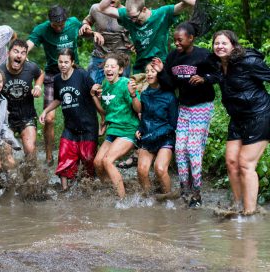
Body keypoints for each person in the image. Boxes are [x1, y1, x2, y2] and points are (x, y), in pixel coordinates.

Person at [152, 22, 220, 207]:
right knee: (180, 149)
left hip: (202, 106)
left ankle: (197, 194)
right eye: (174, 40)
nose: (176, 44)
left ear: (191, 38)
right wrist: (160, 72)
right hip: (184, 108)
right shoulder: (173, 56)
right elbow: (170, 85)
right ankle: (185, 189)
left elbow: (219, 74)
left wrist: (205, 79)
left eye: (180, 40)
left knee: (192, 148)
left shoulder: (204, 55)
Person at [211, 30, 270, 215]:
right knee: (231, 162)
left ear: (233, 46)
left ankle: (249, 213)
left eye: (224, 43)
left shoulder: (248, 62)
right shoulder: (218, 64)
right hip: (237, 118)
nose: (220, 46)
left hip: (259, 115)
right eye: (216, 43)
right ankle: (237, 207)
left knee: (245, 163)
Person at [27, 5, 87, 167]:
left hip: (74, 73)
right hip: (52, 75)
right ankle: (48, 155)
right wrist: (20, 53)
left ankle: (82, 151)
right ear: (50, 22)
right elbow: (29, 43)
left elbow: (86, 27)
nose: (59, 28)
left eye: (61, 24)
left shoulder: (73, 22)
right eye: (56, 25)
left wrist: (89, 29)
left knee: (78, 113)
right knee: (49, 118)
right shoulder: (43, 29)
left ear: (65, 20)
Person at [98, 0, 196, 74]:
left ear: (144, 9)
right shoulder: (128, 16)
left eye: (135, 17)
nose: (132, 20)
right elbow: (102, 8)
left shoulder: (161, 14)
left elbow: (192, 2)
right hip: (140, 67)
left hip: (159, 65)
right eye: (130, 17)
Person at [39, 48, 98, 191]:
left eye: (66, 62)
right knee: (63, 157)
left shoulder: (82, 75)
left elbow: (95, 94)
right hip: (70, 127)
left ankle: (88, 190)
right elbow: (59, 99)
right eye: (60, 62)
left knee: (88, 160)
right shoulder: (57, 79)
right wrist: (45, 111)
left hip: (88, 126)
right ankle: (64, 189)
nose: (63, 65)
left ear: (72, 62)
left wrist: (103, 117)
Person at [91, 54, 141, 198]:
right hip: (113, 130)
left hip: (128, 130)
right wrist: (94, 96)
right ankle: (113, 189)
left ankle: (122, 200)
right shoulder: (105, 84)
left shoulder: (126, 83)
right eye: (107, 66)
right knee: (97, 163)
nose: (109, 69)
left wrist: (133, 95)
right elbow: (105, 112)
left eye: (113, 66)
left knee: (107, 161)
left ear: (120, 70)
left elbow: (138, 109)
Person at [136, 63, 178, 196]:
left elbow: (174, 123)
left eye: (152, 71)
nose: (148, 73)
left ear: (159, 73)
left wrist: (159, 133)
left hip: (165, 137)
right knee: (142, 170)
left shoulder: (170, 96)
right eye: (147, 71)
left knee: (159, 169)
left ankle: (168, 198)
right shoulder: (144, 94)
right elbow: (144, 115)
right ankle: (150, 200)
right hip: (148, 135)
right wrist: (140, 129)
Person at [0, 39, 44, 158]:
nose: (19, 55)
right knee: (5, 154)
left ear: (26, 56)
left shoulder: (31, 67)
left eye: (23, 53)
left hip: (27, 116)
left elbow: (41, 74)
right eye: (16, 51)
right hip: (6, 119)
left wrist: (38, 86)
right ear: (8, 53)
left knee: (30, 151)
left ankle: (28, 176)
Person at [79, 0, 133, 82]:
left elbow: (138, 29)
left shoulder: (127, 13)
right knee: (91, 86)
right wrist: (87, 27)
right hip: (100, 55)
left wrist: (134, 44)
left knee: (123, 89)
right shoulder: (96, 9)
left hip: (121, 56)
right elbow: (86, 22)